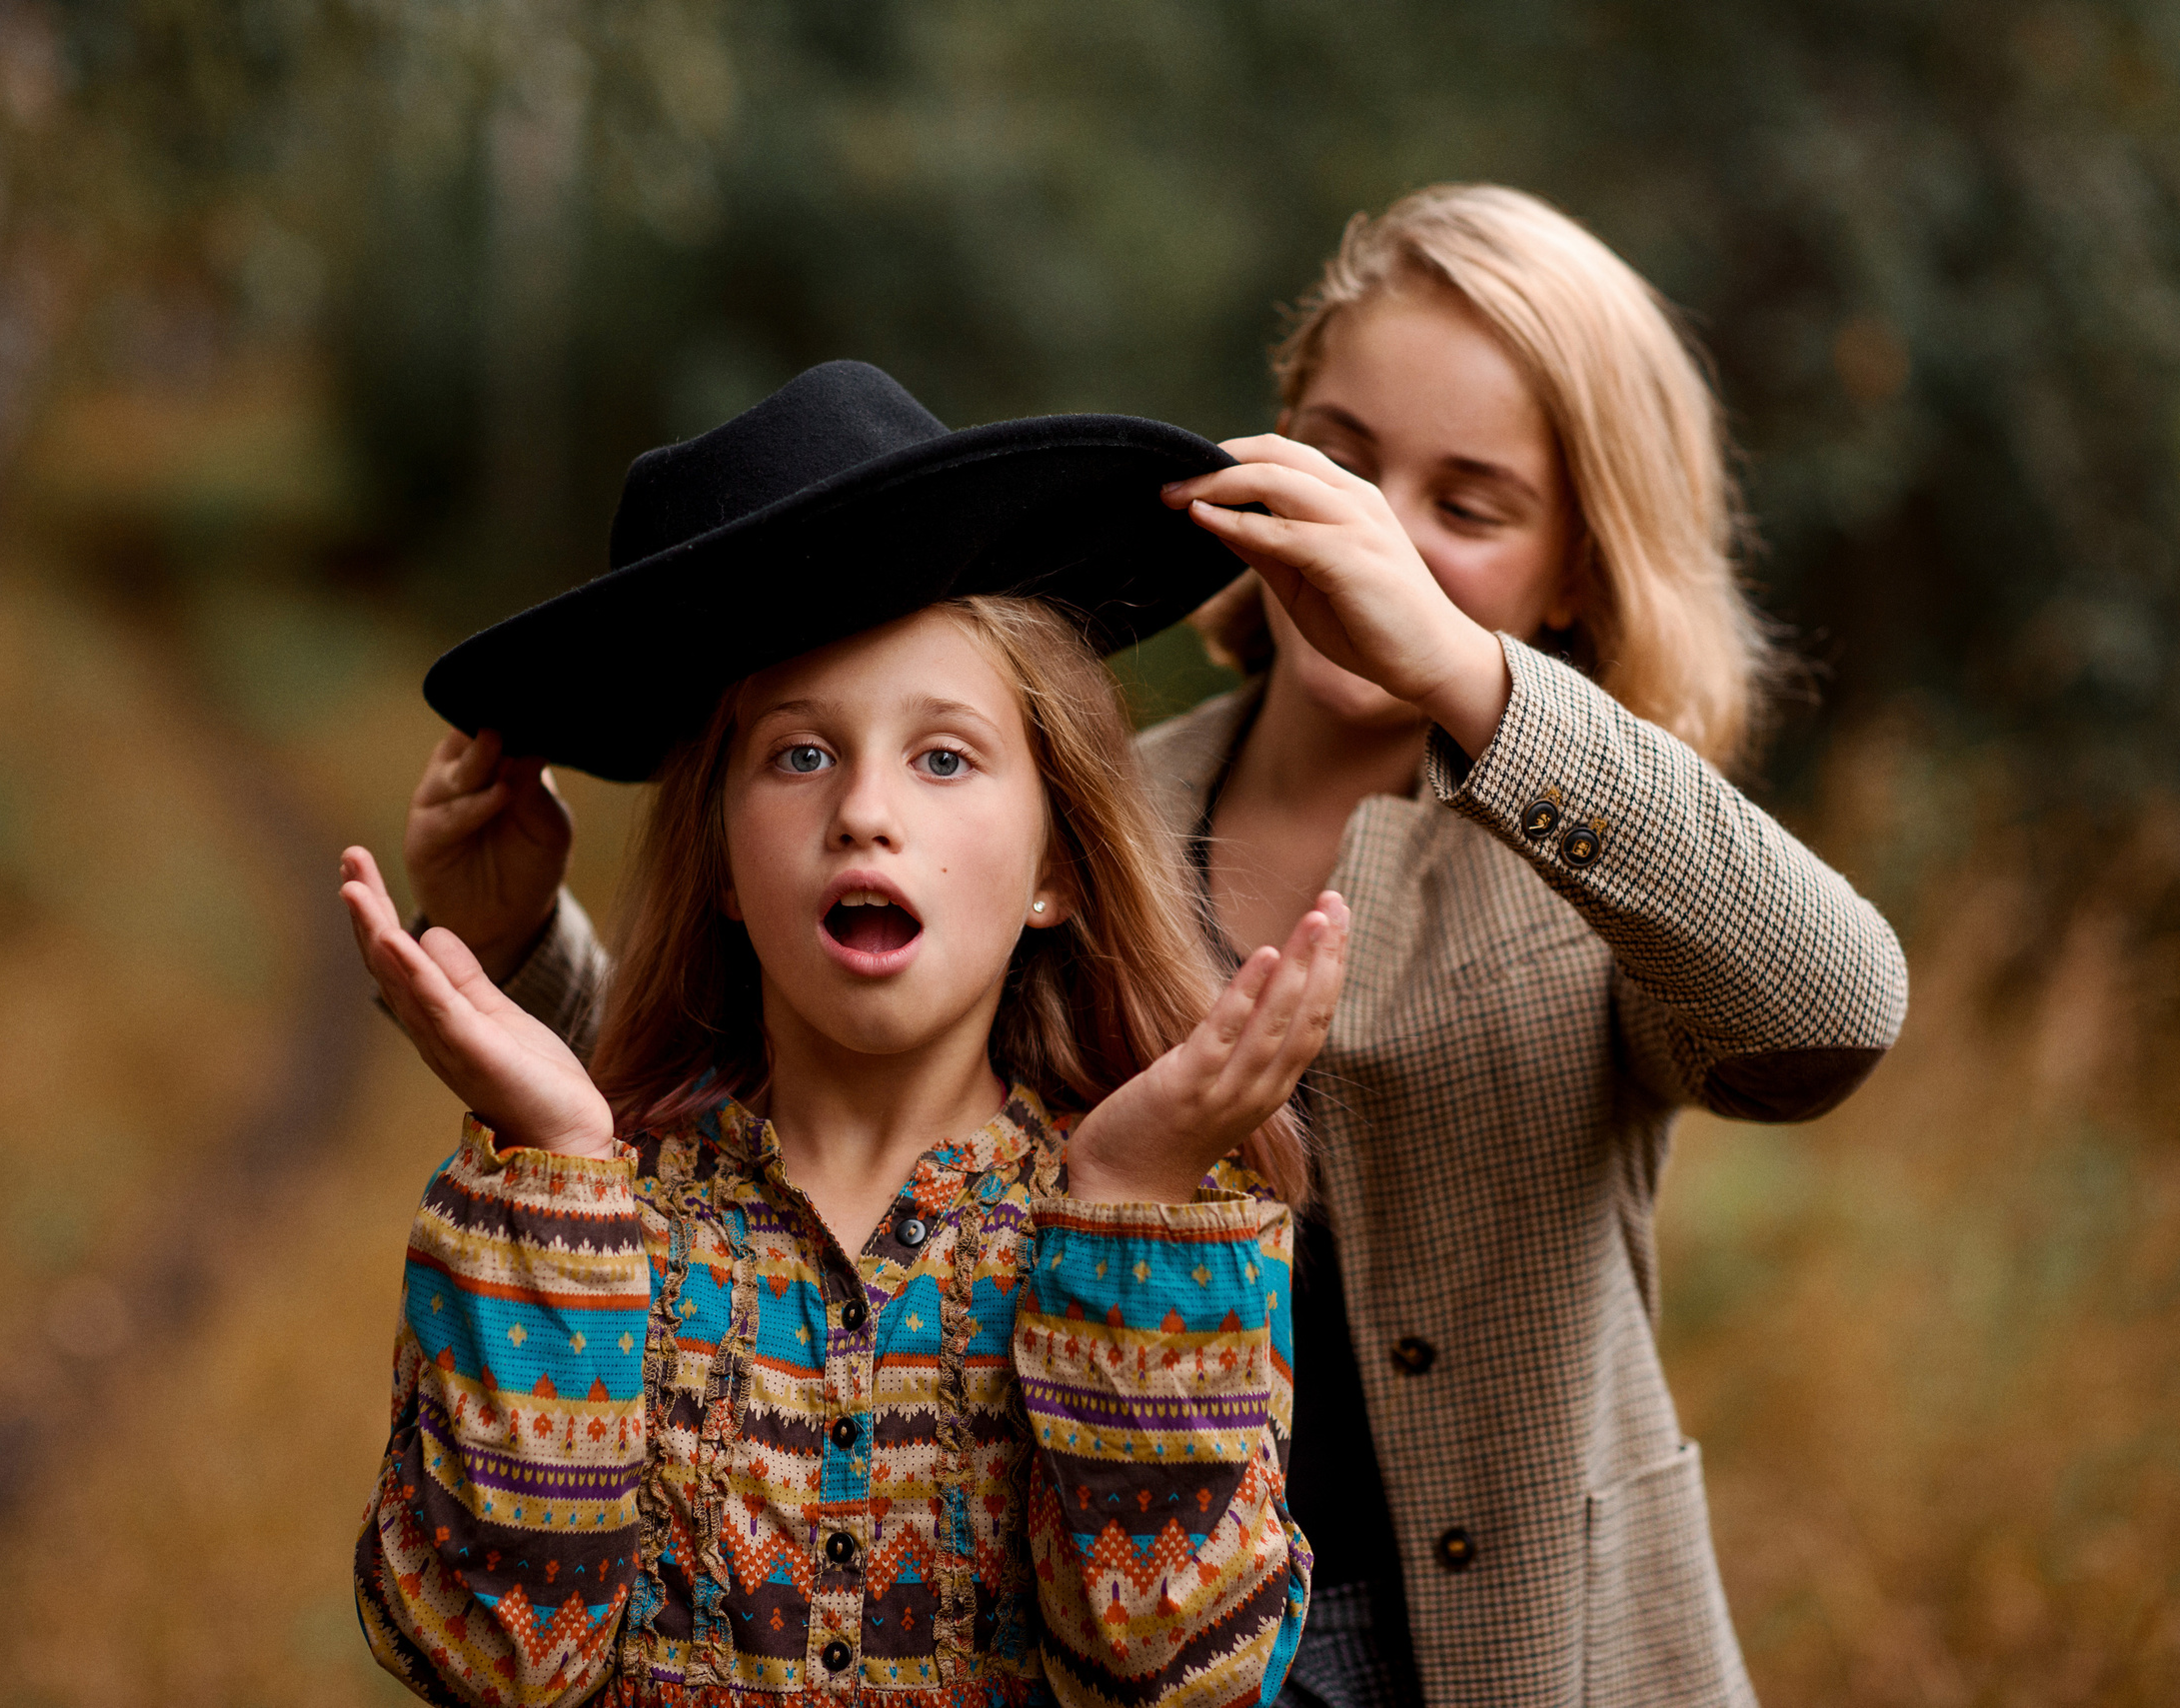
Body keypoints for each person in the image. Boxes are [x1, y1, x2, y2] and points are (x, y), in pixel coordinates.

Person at [398, 189, 1912, 1707]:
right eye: (1348, 455)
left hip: (1513, 1652)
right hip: (1121, 1617)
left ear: (1582, 564)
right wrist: (517, 942)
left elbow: (1833, 1009)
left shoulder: (1587, 852)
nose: (1381, 528)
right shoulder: (1079, 811)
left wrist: (1466, 672)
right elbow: (772, 1129)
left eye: (1470, 504)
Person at [345, 360, 1347, 1708]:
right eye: (800, 755)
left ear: (1057, 863)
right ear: (717, 856)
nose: (867, 810)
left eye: (944, 757)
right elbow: (488, 1659)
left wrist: (1128, 1207)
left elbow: (1183, 1679)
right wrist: (561, 1161)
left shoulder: (1164, 1216)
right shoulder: (594, 1212)